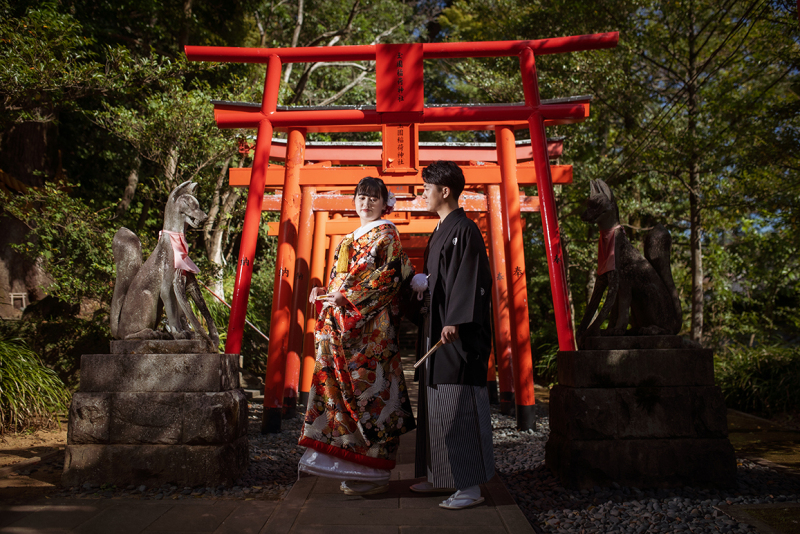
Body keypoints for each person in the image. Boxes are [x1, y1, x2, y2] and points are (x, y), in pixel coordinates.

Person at [298, 176, 416, 496]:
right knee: (339, 390)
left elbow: (389, 277)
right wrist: (324, 292)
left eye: (373, 198)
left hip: (371, 331)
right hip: (342, 326)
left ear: (384, 203)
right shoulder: (347, 239)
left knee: (372, 394)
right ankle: (351, 464)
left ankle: (375, 472)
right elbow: (342, 281)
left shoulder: (387, 234)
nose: (366, 203)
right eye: (361, 197)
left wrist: (349, 300)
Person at [410, 160, 495, 510]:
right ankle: (443, 477)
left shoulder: (466, 229)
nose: (422, 194)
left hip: (457, 337)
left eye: (427, 188)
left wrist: (456, 320)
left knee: (457, 405)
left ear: (445, 191)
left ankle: (470, 486)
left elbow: (471, 278)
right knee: (438, 406)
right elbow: (441, 281)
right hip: (439, 331)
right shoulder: (442, 229)